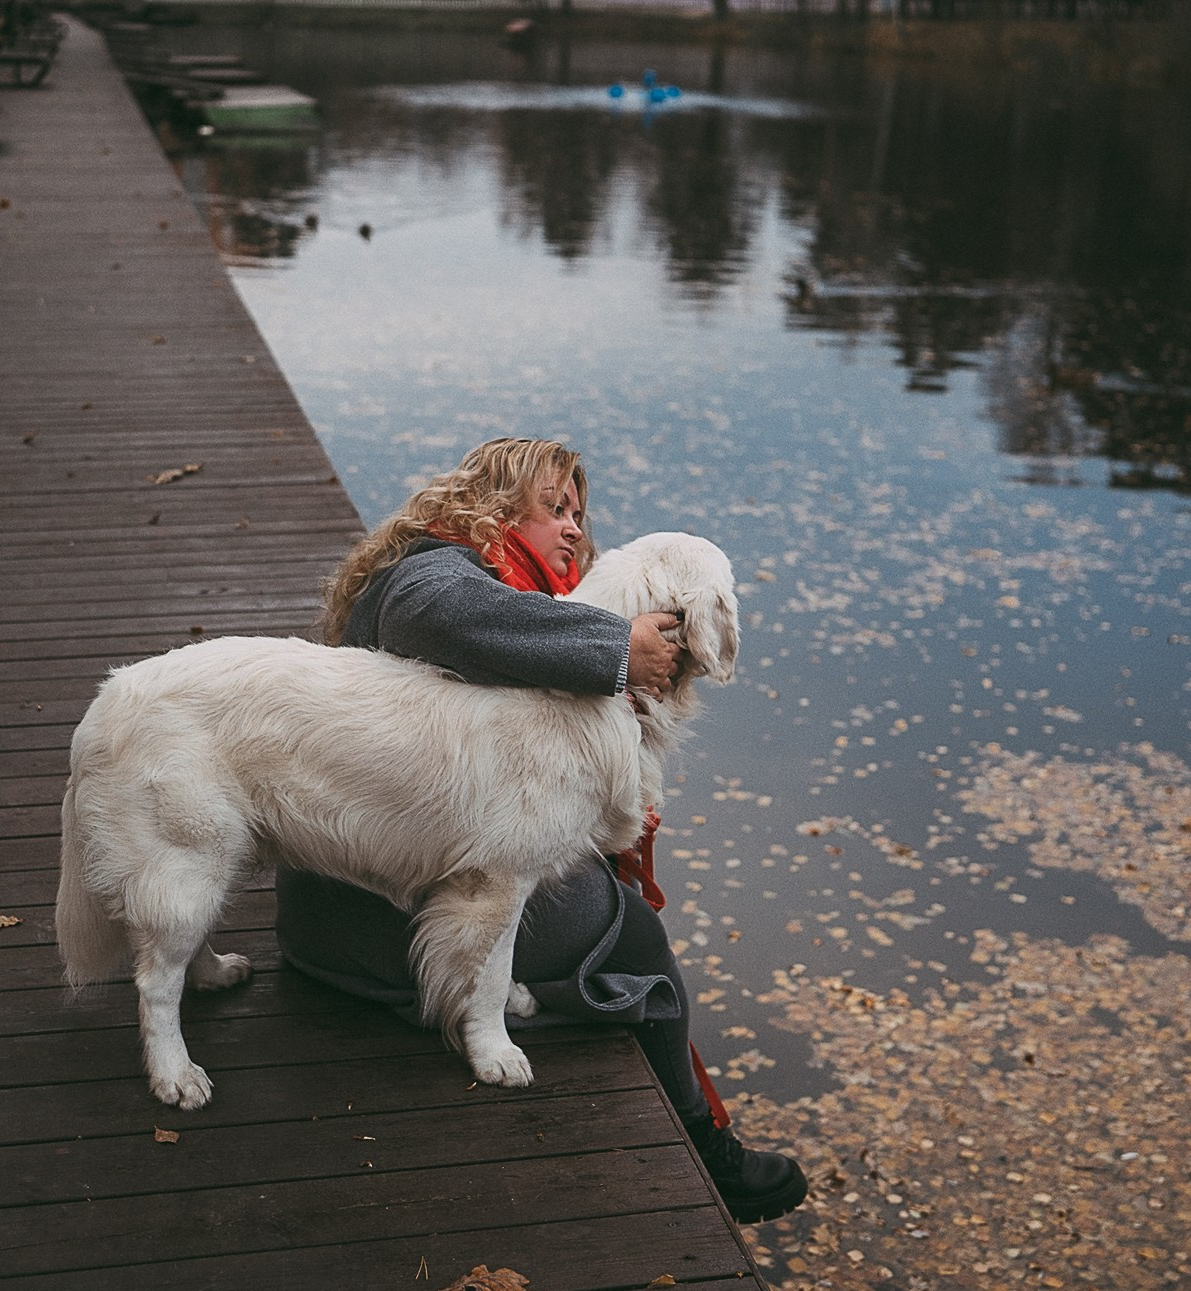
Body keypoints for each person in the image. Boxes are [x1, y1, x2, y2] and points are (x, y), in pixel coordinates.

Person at [275, 436, 808, 1225]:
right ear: (490, 507)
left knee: (594, 892)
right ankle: (704, 1145)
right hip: (368, 912)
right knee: (635, 940)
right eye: (553, 508)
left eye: (579, 514)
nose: (573, 528)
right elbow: (443, 613)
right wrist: (614, 647)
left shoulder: (513, 587)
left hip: (376, 887)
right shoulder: (434, 569)